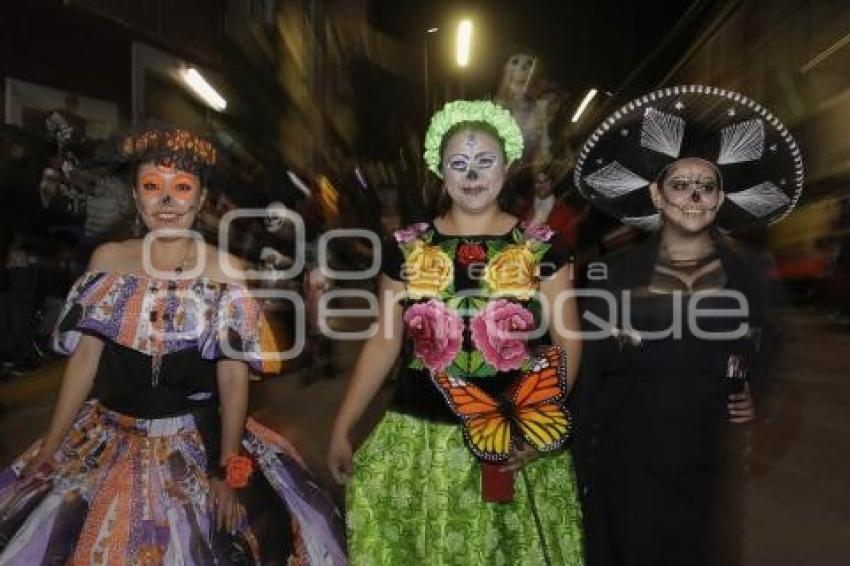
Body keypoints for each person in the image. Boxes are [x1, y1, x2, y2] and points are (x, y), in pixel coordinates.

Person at [0, 125, 346, 565]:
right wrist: (50, 446)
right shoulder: (107, 261)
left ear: (201, 200)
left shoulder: (226, 273)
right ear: (135, 195)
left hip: (196, 441)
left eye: (182, 188)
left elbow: (233, 376)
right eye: (151, 186)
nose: (166, 202)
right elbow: (85, 360)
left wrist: (226, 467)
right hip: (106, 438)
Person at [328, 100, 584, 564]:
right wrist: (343, 425)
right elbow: (385, 341)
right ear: (440, 172)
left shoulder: (541, 247)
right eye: (458, 164)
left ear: (506, 168)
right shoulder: (405, 248)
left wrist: (538, 428)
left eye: (484, 162)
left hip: (514, 433)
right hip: (419, 441)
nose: (471, 175)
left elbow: (568, 341)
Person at [572, 85, 799, 566]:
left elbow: (774, 344)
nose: (694, 196)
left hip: (705, 464)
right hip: (625, 461)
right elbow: (588, 374)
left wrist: (758, 392)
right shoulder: (614, 274)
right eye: (680, 184)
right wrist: (570, 462)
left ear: (720, 199)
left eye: (707, 185)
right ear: (656, 194)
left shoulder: (750, 271)